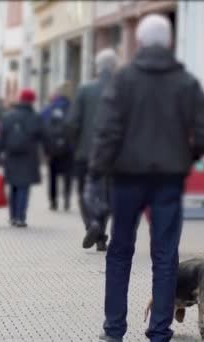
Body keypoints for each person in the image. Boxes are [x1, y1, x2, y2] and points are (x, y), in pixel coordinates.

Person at [88, 15, 204, 342]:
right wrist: (190, 156)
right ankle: (159, 330)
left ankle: (114, 330)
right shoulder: (185, 82)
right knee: (166, 255)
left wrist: (99, 172)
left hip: (127, 179)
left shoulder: (124, 80)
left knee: (119, 252)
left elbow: (107, 131)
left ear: (140, 43)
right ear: (169, 43)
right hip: (168, 180)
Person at [67, 48, 118, 252]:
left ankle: (92, 224)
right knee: (105, 195)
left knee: (85, 193)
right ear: (115, 67)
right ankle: (101, 238)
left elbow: (71, 123)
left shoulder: (85, 90)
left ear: (97, 68)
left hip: (85, 153)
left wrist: (76, 145)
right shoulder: (121, 89)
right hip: (113, 155)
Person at [0, 89, 42, 228]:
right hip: (28, 156)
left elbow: (1, 137)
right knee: (24, 187)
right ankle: (21, 217)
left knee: (13, 186)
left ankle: (13, 217)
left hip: (11, 156)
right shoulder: (35, 117)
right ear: (32, 101)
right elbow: (43, 135)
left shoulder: (8, 116)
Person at [41, 84, 74, 211]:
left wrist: (45, 148)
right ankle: (66, 199)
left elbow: (42, 125)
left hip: (52, 148)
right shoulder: (72, 107)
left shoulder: (49, 108)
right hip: (68, 148)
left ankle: (53, 201)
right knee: (68, 175)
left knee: (52, 175)